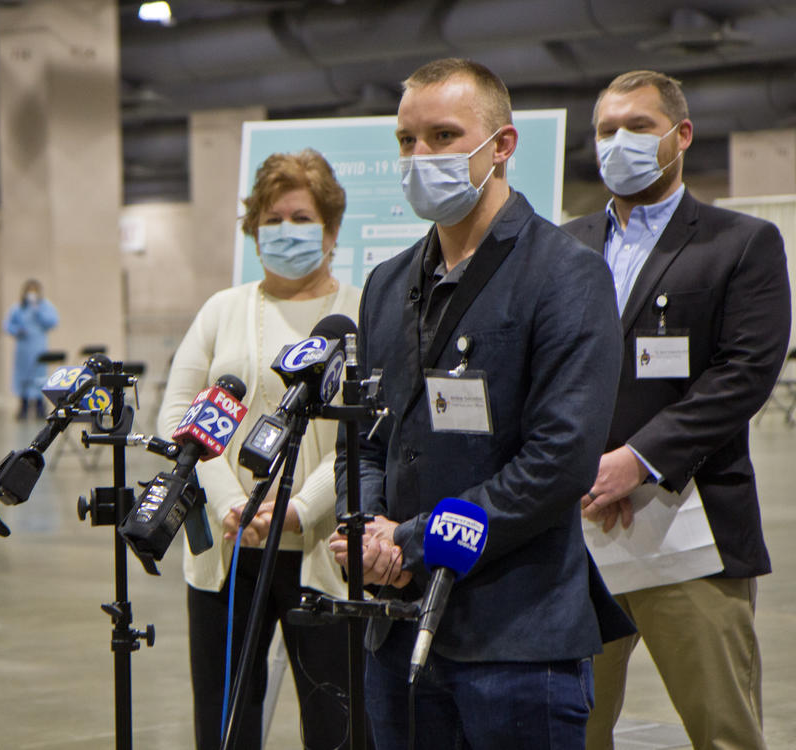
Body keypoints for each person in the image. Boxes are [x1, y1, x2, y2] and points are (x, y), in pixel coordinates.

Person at [329, 58, 631, 749]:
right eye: (407, 140)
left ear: (502, 146)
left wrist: (413, 540)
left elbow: (559, 462)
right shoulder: (386, 283)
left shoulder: (564, 274)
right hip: (397, 631)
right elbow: (370, 437)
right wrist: (368, 525)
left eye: (442, 136)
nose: (419, 157)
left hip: (515, 642)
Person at [563, 70, 791, 750]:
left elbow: (744, 373)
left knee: (722, 730)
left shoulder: (740, 242)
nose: (619, 143)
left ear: (680, 135)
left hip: (691, 532)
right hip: (578, 531)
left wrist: (635, 462)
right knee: (569, 727)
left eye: (637, 127)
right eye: (607, 131)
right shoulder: (565, 246)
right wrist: (575, 469)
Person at [157, 149, 364, 750]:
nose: (284, 231)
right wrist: (228, 501)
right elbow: (180, 415)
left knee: (338, 724)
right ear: (252, 231)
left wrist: (303, 506)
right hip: (228, 549)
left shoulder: (360, 311)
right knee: (225, 723)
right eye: (271, 219)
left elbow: (371, 432)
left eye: (300, 218)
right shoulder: (223, 310)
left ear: (330, 230)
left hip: (325, 552)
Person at [4, 279, 58, 419]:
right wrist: (17, 331)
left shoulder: (45, 306)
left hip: (39, 349)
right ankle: (24, 406)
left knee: (39, 378)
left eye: (34, 291)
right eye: (29, 290)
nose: (32, 294)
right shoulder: (18, 308)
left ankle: (40, 406)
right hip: (23, 350)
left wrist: (38, 312)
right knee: (24, 377)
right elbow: (7, 325)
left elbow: (53, 321)